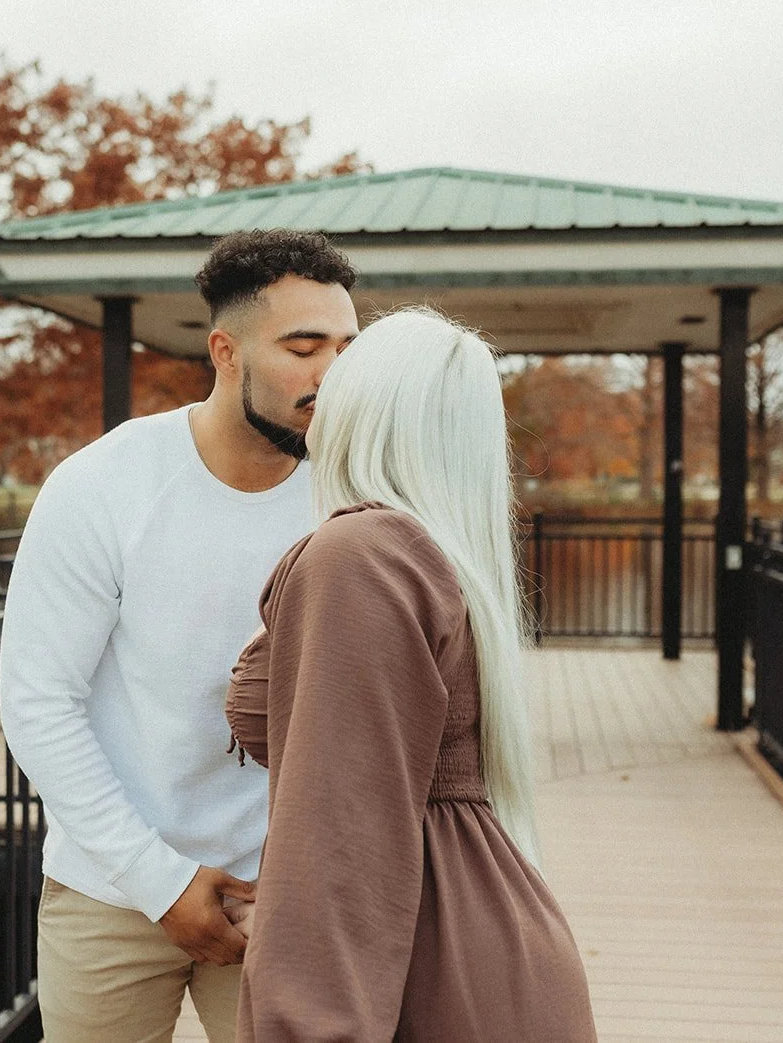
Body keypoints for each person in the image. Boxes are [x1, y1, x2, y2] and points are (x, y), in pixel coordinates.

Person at [0, 228, 360, 1042]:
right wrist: (160, 882)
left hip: (293, 893)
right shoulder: (103, 485)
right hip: (114, 886)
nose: (332, 374)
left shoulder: (354, 495)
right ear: (225, 352)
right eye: (303, 347)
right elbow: (37, 704)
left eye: (346, 346)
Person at [225, 307, 598, 1041]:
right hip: (468, 945)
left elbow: (344, 834)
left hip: (430, 970)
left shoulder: (361, 555)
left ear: (364, 411)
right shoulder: (430, 550)